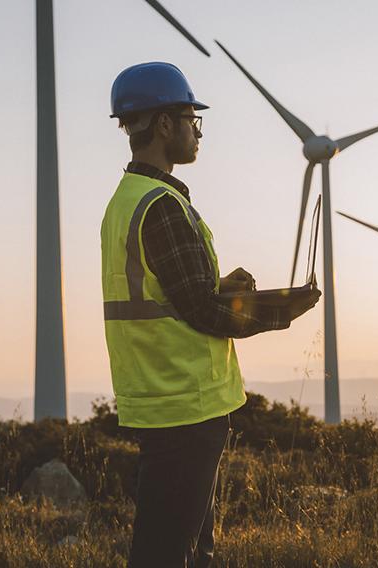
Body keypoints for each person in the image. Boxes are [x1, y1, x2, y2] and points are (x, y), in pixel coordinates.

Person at [101, 61, 321, 567]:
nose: (196, 131)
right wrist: (279, 311)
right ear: (163, 125)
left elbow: (161, 293)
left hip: (160, 399)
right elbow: (201, 312)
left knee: (181, 546)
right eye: (190, 118)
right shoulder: (161, 205)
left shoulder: (127, 202)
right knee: (168, 553)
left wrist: (218, 285)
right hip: (186, 403)